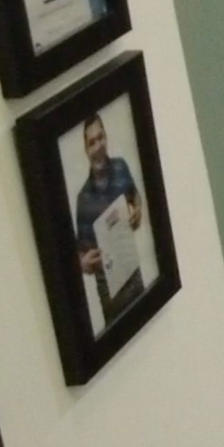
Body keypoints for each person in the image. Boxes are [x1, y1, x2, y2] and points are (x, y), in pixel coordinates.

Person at [72, 113, 145, 322]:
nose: (98, 146)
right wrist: (83, 264)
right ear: (86, 150)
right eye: (92, 142)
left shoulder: (121, 167)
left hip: (135, 277)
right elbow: (80, 254)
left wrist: (138, 209)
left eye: (100, 137)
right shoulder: (83, 200)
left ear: (106, 137)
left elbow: (135, 196)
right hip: (111, 297)